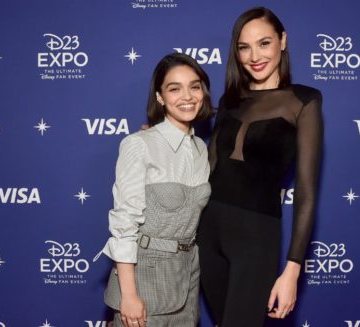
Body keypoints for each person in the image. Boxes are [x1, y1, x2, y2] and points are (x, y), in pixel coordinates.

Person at [197, 7, 323, 327]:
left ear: (282, 41)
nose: (254, 56)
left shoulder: (304, 101)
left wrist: (292, 271)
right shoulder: (230, 100)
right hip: (206, 232)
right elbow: (206, 168)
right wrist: (161, 137)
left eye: (264, 43)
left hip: (256, 237)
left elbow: (307, 194)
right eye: (244, 47)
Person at [94, 53, 213, 327]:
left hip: (186, 280)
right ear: (160, 97)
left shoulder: (200, 149)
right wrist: (129, 294)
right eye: (174, 88)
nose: (187, 96)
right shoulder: (139, 144)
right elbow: (124, 223)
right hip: (143, 280)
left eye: (194, 86)